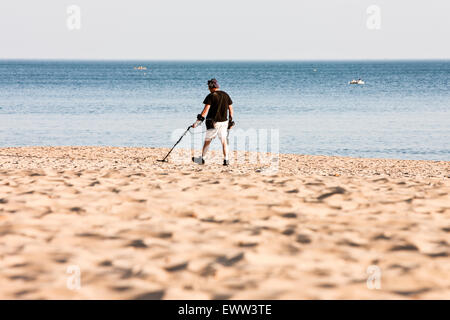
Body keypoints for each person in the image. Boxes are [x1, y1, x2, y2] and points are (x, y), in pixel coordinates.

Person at [191, 79, 234, 166]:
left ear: (211, 87)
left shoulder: (211, 96)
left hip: (213, 122)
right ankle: (226, 160)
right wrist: (230, 121)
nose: (208, 89)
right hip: (224, 122)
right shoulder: (226, 95)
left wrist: (196, 123)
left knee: (207, 141)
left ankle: (202, 158)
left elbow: (204, 111)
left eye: (208, 87)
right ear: (217, 86)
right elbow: (231, 110)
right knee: (224, 141)